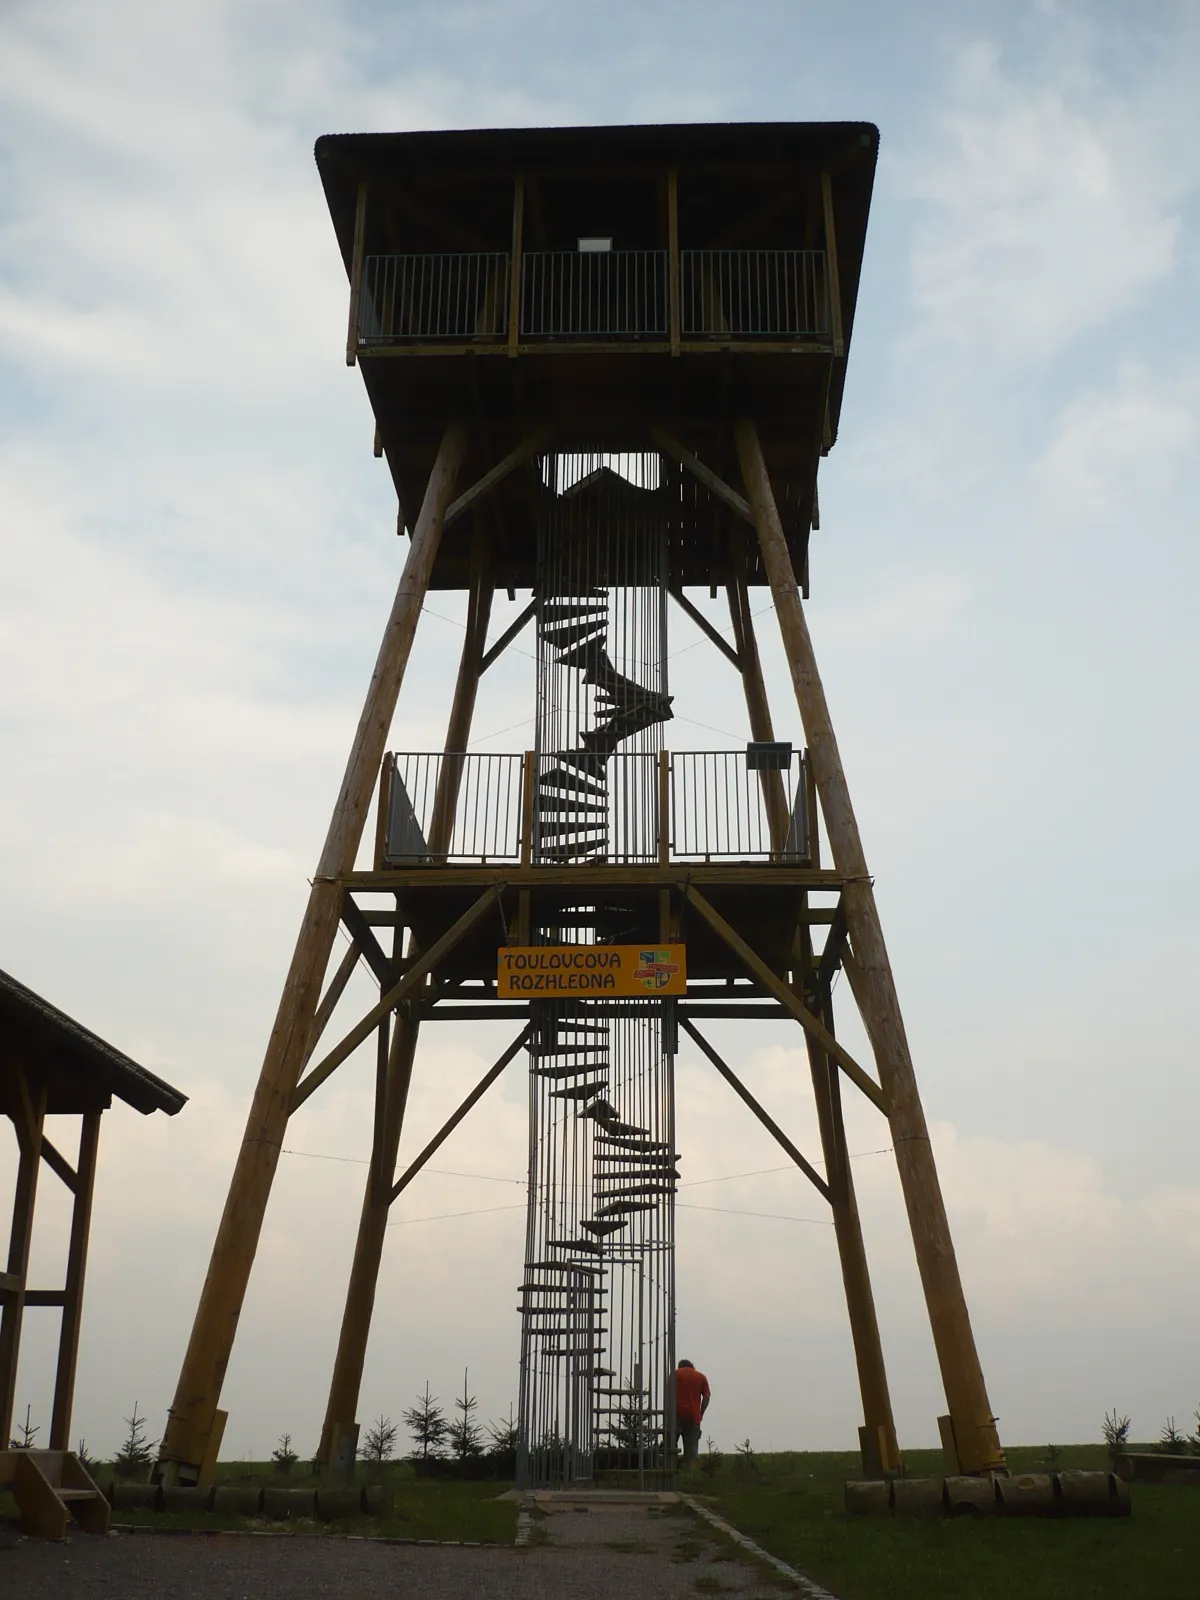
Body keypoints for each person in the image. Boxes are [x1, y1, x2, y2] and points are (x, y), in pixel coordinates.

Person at [674, 1358, 711, 1467]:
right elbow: (707, 1397)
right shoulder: (701, 1377)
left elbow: (668, 1394)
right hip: (693, 1416)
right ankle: (690, 1473)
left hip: (675, 1415)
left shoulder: (674, 1375)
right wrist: (701, 1413)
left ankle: (671, 1469)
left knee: (670, 1446)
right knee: (691, 1448)